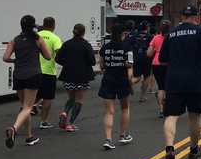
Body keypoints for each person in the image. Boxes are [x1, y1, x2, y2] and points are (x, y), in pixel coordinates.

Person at [160, 6, 201, 159]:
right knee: (194, 115)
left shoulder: (171, 33)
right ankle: (193, 149)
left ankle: (170, 148)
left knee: (171, 116)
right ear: (196, 17)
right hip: (195, 79)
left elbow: (162, 59)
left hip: (174, 79)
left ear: (182, 16)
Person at [3, 15, 52, 149]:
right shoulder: (38, 39)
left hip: (18, 75)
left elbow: (5, 58)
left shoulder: (15, 40)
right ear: (33, 26)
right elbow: (48, 56)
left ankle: (29, 136)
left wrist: (16, 61)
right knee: (28, 108)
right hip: (33, 74)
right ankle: (14, 128)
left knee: (24, 106)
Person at [99, 22, 138, 150]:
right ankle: (122, 135)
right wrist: (131, 80)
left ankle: (108, 139)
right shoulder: (127, 48)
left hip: (108, 79)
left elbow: (102, 65)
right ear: (123, 34)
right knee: (125, 108)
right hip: (122, 80)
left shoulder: (105, 48)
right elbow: (130, 67)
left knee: (109, 111)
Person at [54, 23, 96, 132]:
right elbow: (92, 61)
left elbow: (57, 59)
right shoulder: (86, 45)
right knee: (79, 100)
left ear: (73, 31)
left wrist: (67, 63)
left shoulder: (66, 44)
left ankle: (65, 112)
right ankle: (70, 123)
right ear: (83, 33)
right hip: (82, 76)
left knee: (71, 98)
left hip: (67, 75)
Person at [30, 16, 62, 129]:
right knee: (47, 98)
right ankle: (43, 121)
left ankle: (24, 113)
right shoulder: (55, 38)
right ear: (53, 25)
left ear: (43, 24)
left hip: (34, 70)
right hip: (49, 71)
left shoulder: (35, 36)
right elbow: (59, 54)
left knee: (34, 95)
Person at [148, 20, 170, 118]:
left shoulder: (155, 38)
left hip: (156, 64)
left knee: (161, 87)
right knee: (169, 87)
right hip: (169, 63)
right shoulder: (172, 38)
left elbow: (149, 53)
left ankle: (161, 110)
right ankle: (169, 108)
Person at [131, 23, 154, 103]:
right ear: (147, 27)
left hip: (136, 58)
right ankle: (142, 96)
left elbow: (129, 46)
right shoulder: (150, 36)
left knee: (137, 77)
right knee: (147, 76)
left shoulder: (134, 36)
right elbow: (153, 48)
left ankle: (130, 83)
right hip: (147, 58)